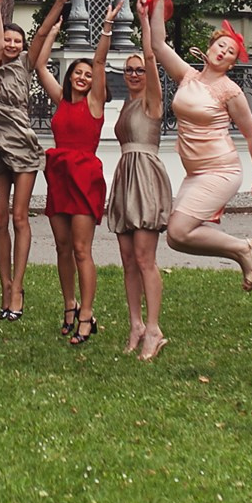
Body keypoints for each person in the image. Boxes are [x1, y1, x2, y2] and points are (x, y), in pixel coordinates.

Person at [141, 0, 252, 290]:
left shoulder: (230, 91)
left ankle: (244, 248)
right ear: (211, 45)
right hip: (195, 172)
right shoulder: (187, 76)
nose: (223, 52)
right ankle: (245, 249)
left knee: (179, 229)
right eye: (221, 45)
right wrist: (158, 0)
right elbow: (158, 45)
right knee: (176, 237)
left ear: (230, 63)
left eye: (229, 52)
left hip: (221, 169)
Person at [32, 0, 119, 344]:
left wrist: (107, 28)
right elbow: (38, 66)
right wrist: (55, 26)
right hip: (59, 177)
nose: (83, 77)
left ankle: (87, 313)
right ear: (70, 78)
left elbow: (99, 63)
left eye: (87, 74)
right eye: (78, 73)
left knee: (82, 248)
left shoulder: (95, 103)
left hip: (84, 177)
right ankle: (68, 305)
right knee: (62, 248)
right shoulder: (61, 100)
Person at [0, 0, 61, 322]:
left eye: (17, 40)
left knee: (20, 217)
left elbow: (43, 31)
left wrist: (60, 1)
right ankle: (4, 285)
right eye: (7, 39)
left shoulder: (24, 64)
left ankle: (18, 286)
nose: (12, 44)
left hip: (24, 146)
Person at [106, 40, 172, 360]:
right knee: (128, 260)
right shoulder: (125, 103)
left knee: (145, 259)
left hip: (145, 177)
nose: (134, 74)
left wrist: (146, 21)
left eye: (140, 70)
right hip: (124, 177)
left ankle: (155, 329)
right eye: (129, 70)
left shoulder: (152, 101)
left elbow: (151, 55)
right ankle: (136, 325)